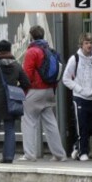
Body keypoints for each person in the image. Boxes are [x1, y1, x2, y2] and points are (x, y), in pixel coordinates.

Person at [20, 25, 67, 162]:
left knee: (28, 121)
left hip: (35, 91)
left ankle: (29, 155)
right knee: (50, 122)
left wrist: (24, 91)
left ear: (31, 36)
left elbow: (27, 75)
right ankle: (59, 154)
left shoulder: (32, 52)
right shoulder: (50, 50)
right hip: (49, 91)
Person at [0, 40, 30, 164]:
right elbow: (26, 83)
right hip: (11, 101)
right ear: (10, 50)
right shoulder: (17, 66)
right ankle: (8, 157)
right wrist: (17, 91)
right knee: (10, 128)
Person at [62, 32, 92, 161]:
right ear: (81, 45)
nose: (89, 45)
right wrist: (79, 89)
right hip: (79, 97)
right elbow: (66, 79)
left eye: (91, 43)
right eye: (86, 43)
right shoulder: (74, 59)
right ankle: (83, 152)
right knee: (82, 124)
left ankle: (77, 145)